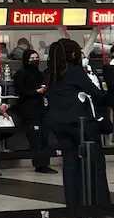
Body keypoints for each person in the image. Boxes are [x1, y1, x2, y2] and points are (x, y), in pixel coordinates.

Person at [47, 39, 110, 208]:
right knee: (95, 163)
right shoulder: (75, 71)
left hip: (59, 124)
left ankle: (73, 204)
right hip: (81, 124)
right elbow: (96, 94)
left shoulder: (51, 72)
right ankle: (101, 206)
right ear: (73, 54)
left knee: (70, 163)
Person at [12, 49, 54, 174]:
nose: (35, 60)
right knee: (35, 138)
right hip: (29, 110)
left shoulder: (40, 73)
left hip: (42, 108)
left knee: (44, 137)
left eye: (36, 58)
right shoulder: (21, 74)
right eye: (32, 58)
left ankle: (45, 163)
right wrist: (36, 91)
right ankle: (39, 164)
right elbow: (21, 91)